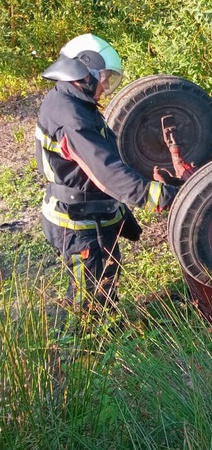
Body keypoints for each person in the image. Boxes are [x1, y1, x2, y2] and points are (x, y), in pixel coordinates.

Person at [35, 34, 179, 310]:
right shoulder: (72, 118)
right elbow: (106, 171)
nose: (105, 85)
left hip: (91, 210)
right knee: (92, 304)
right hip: (80, 224)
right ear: (83, 71)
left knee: (105, 280)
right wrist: (164, 196)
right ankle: (90, 350)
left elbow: (108, 151)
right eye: (103, 77)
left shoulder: (73, 99)